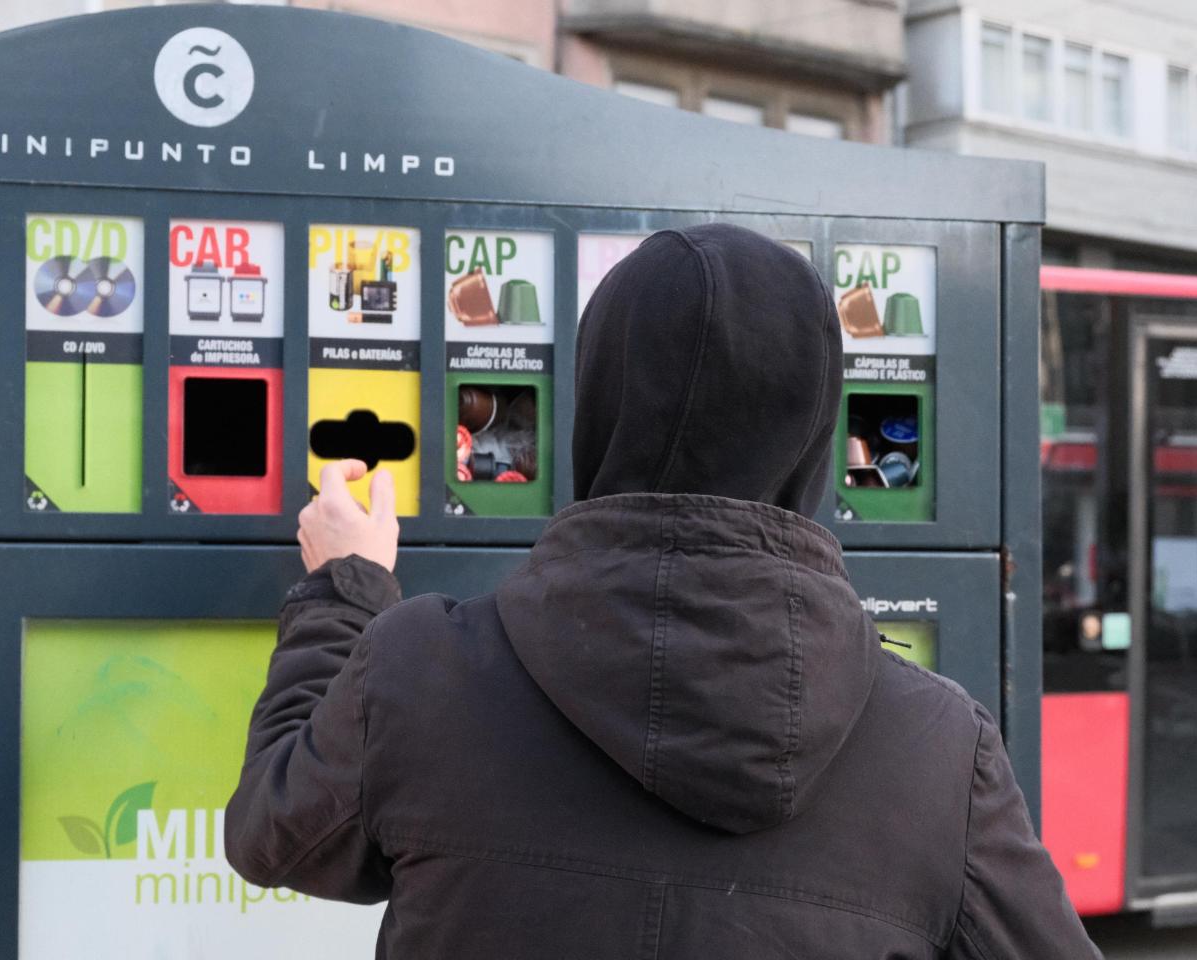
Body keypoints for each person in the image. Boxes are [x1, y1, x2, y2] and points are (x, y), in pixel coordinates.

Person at [227, 224, 1099, 958]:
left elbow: (272, 834)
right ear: (812, 429)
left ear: (597, 399)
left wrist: (347, 586)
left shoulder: (421, 670)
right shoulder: (941, 753)